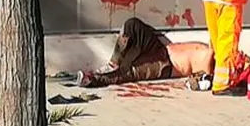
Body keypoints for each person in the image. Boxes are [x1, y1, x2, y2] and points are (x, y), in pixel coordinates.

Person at [76, 17, 215, 88]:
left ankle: (92, 80)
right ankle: (113, 63)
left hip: (165, 66)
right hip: (161, 49)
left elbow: (202, 79)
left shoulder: (209, 62)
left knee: (128, 72)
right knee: (133, 24)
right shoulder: (212, 49)